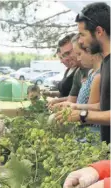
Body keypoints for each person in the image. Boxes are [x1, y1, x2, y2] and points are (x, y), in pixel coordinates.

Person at [55, 2, 110, 144]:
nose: (79, 40)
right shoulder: (105, 63)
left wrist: (82, 115)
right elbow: (103, 106)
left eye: (82, 34)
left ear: (99, 32)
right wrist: (76, 107)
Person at [47, 34, 89, 107]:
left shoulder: (95, 70)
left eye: (68, 53)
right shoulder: (78, 73)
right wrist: (56, 105)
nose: (66, 58)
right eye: (64, 55)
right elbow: (71, 100)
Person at [43, 34, 78, 98]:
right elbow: (68, 95)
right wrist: (49, 93)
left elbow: (75, 98)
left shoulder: (84, 71)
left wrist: (58, 101)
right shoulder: (69, 70)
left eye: (68, 53)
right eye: (64, 55)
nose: (65, 59)